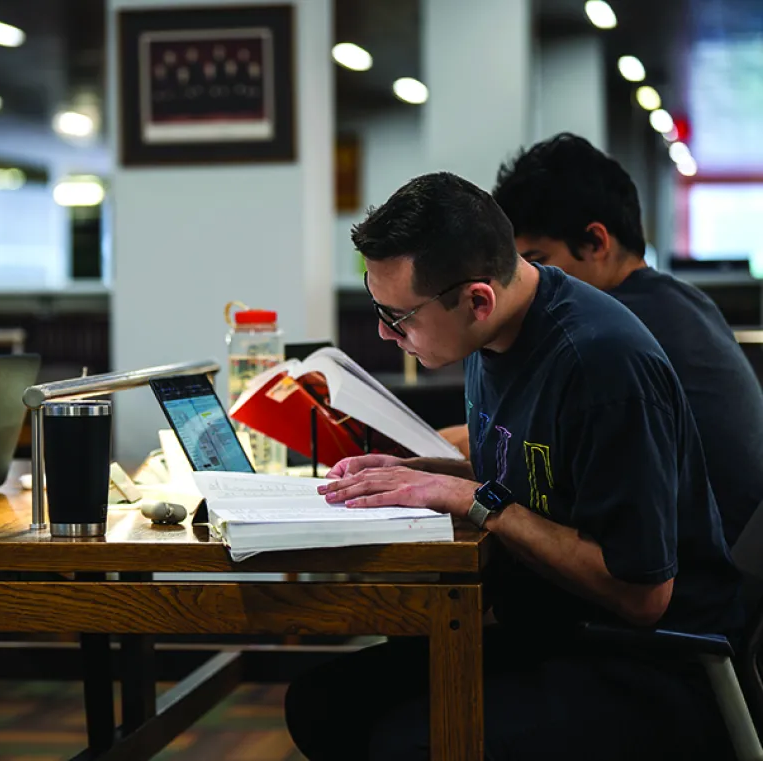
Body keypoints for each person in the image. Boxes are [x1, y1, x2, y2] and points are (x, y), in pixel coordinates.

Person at [283, 172, 741, 761]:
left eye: (398, 318)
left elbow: (643, 595)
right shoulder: (492, 335)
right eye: (378, 307)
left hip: (654, 658)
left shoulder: (602, 366)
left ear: (478, 300)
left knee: (404, 745)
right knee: (323, 703)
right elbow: (517, 469)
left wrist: (471, 498)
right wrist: (413, 475)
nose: (383, 332)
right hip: (559, 628)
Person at [455, 132, 762, 548]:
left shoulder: (612, 336)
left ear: (597, 242)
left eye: (536, 263)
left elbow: (514, 441)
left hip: (692, 582)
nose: (523, 283)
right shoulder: (679, 300)